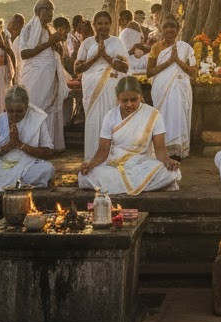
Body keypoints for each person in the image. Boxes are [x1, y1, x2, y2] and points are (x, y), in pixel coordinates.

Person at [79, 76, 181, 194]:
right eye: (124, 100)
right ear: (118, 99)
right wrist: (90, 165)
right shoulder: (110, 116)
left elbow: (160, 150)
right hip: (115, 166)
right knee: (84, 176)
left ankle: (115, 187)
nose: (129, 104)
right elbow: (103, 151)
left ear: (140, 96)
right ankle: (139, 185)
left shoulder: (153, 114)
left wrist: (168, 162)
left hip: (142, 165)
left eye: (134, 100)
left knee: (170, 173)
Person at [76, 13, 129, 162]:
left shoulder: (117, 43)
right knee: (93, 122)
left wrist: (105, 56)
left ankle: (111, 160)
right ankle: (92, 158)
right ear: (94, 25)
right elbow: (78, 68)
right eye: (99, 23)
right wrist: (95, 57)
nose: (103, 26)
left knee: (110, 121)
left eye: (106, 23)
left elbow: (125, 68)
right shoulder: (86, 43)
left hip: (111, 87)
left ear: (111, 25)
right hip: (91, 87)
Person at [18, 0, 69, 152]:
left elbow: (59, 53)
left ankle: (49, 145)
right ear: (38, 11)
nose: (50, 13)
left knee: (51, 108)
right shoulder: (28, 29)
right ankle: (31, 144)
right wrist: (49, 43)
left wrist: (58, 42)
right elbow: (24, 54)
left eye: (52, 10)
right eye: (46, 9)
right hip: (35, 74)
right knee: (35, 106)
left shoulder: (51, 29)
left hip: (51, 74)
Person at [147, 15, 196, 159]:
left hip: (180, 88)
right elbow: (149, 72)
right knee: (162, 118)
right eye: (166, 27)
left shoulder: (186, 48)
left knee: (178, 116)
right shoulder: (156, 47)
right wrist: (169, 62)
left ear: (178, 29)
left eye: (172, 27)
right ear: (161, 29)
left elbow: (194, 72)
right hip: (161, 88)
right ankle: (162, 150)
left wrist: (178, 61)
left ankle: (178, 150)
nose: (169, 30)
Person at [6, 14, 25, 85]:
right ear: (9, 23)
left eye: (19, 22)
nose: (16, 24)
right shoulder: (4, 36)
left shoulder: (23, 39)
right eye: (14, 21)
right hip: (6, 71)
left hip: (19, 73)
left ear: (22, 26)